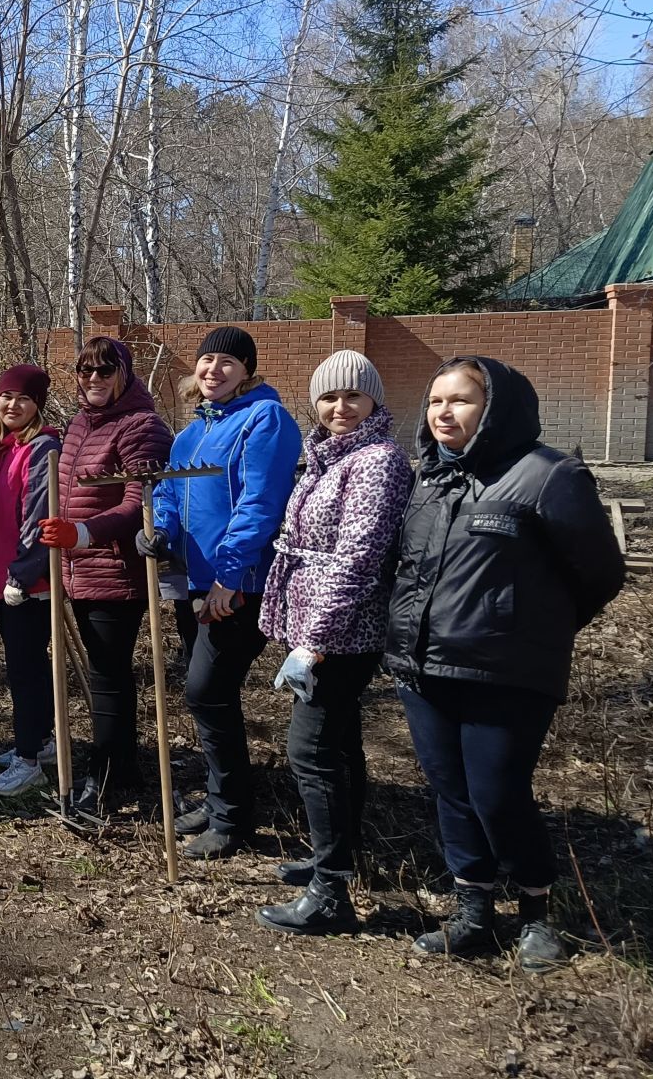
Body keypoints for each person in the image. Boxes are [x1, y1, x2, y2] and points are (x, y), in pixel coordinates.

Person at [385, 356, 624, 971]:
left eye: (460, 400)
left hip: (507, 674)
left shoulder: (548, 476)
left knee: (497, 793)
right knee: (450, 791)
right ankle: (473, 913)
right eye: (435, 400)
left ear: (495, 407)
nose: (443, 412)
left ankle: (537, 914)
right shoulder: (429, 480)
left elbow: (600, 573)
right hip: (424, 668)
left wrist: (529, 631)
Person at [252, 351, 413, 936]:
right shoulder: (324, 458)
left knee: (311, 750)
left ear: (373, 400)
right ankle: (336, 861)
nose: (339, 408)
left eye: (353, 396)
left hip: (345, 632)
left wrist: (314, 642)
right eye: (328, 397)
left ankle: (330, 893)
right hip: (321, 627)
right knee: (340, 745)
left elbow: (359, 558)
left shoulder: (377, 462)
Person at [139, 326, 301, 859]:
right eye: (207, 360)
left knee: (207, 690)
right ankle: (219, 798)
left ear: (248, 370)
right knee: (210, 694)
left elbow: (260, 502)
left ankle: (233, 818)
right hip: (192, 580)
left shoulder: (265, 420)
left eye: (227, 362)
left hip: (236, 585)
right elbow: (167, 490)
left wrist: (231, 578)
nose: (214, 370)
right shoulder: (192, 433)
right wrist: (159, 531)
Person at [24, 336, 172, 810]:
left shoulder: (140, 426)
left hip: (114, 571)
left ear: (124, 375)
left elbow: (140, 505)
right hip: (76, 568)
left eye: (104, 371)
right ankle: (120, 766)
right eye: (85, 371)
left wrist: (83, 534)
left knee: (108, 675)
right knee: (103, 672)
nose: (93, 379)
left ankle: (105, 777)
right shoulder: (81, 424)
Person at [0, 366, 64, 798]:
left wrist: (22, 572)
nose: (12, 405)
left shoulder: (42, 447)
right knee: (25, 668)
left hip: (27, 582)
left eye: (23, 399)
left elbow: (38, 515)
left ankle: (30, 762)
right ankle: (41, 742)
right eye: (6, 397)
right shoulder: (1, 447)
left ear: (37, 405)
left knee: (27, 670)